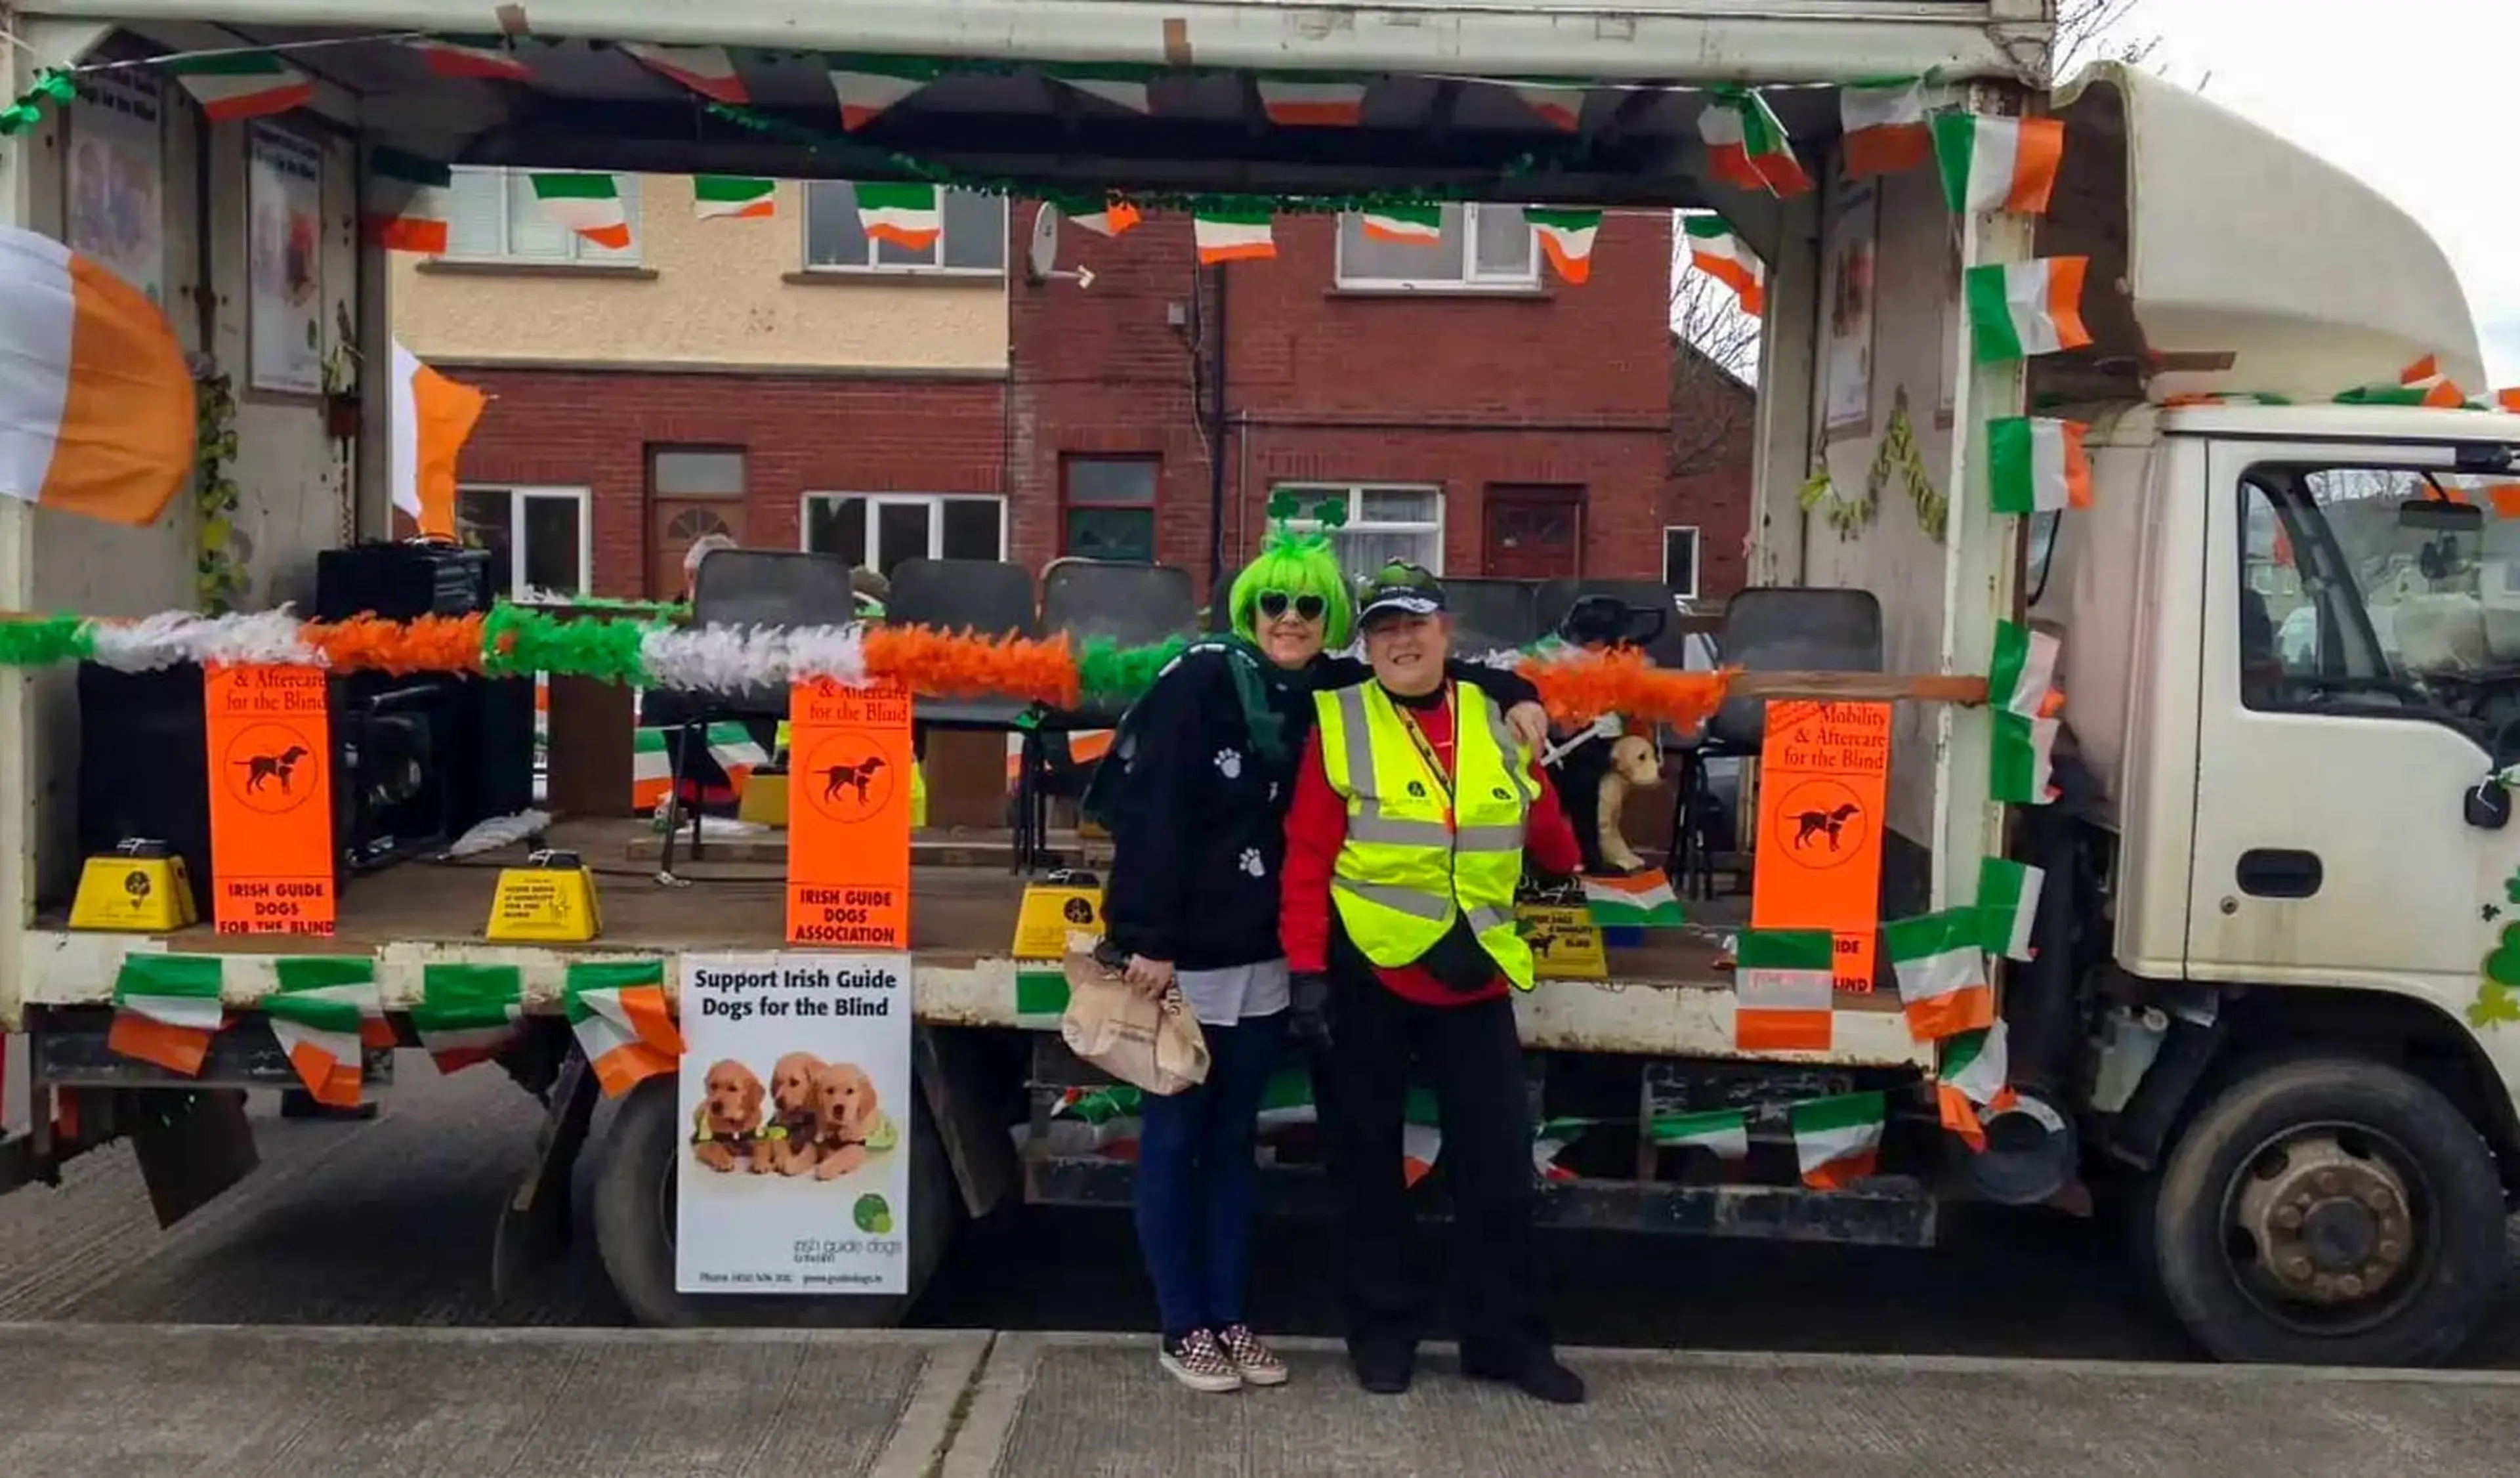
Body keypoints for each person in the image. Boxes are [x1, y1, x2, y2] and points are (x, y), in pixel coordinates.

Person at [1095, 520, 1549, 1393]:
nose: (1291, 618)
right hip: (1187, 957)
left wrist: (1520, 687)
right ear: (1249, 606)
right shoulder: (1200, 682)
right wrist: (1146, 937)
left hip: (1269, 958)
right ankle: (1182, 1324)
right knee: (1176, 1140)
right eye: (1275, 601)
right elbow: (1151, 814)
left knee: (1233, 1147)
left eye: (1310, 604)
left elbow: (1436, 669)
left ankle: (1230, 1317)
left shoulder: (1331, 684)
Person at [1280, 561, 1587, 1405]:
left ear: (1447, 632)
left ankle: (1507, 1341)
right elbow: (1307, 860)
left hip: (1475, 976)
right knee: (1368, 1163)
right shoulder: (1338, 720)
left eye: (1415, 624)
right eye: (1383, 629)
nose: (1400, 641)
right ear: (1366, 644)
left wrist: (1537, 770)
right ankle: (1384, 1335)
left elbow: (1554, 846)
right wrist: (1307, 974)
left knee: (1497, 1168)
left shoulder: (1496, 718)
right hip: (1367, 973)